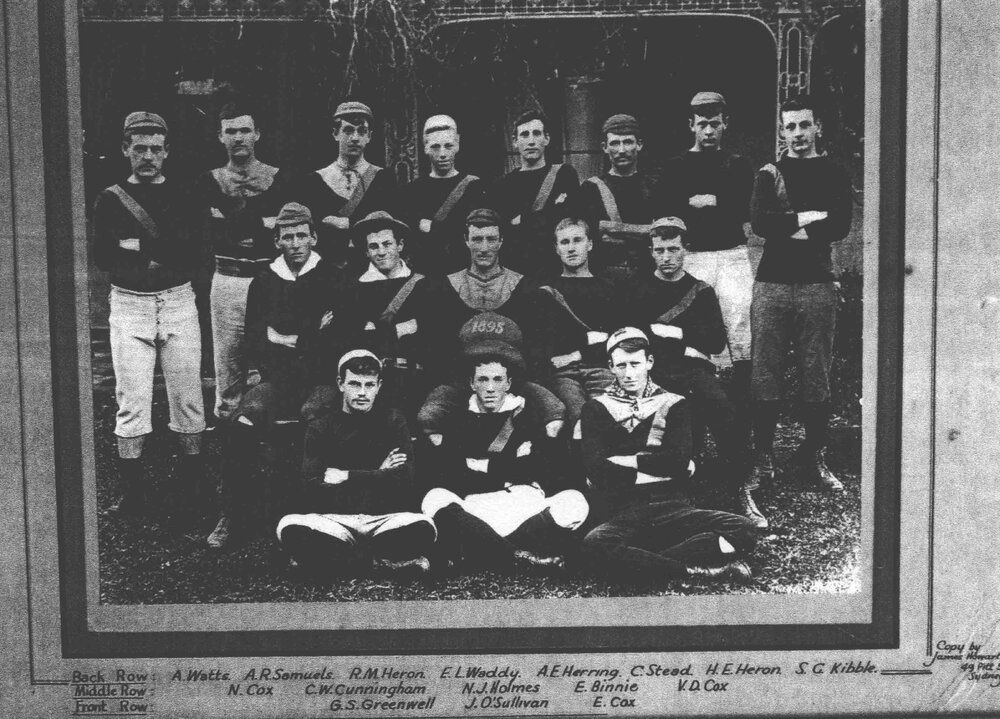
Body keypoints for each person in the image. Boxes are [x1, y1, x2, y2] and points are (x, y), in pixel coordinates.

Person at [207, 202, 342, 548]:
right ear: (277, 241)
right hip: (278, 379)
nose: (295, 243)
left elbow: (337, 337)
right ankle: (232, 514)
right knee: (243, 421)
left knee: (317, 417)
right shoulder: (265, 280)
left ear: (313, 237)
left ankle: (314, 514)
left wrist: (287, 336)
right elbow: (256, 339)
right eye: (287, 237)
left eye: (301, 235)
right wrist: (311, 330)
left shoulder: (333, 276)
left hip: (322, 378)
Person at [92, 111, 206, 519]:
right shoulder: (110, 197)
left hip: (177, 301)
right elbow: (104, 255)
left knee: (188, 397)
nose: (147, 156)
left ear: (167, 151)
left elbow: (194, 250)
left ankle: (191, 490)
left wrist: (137, 247)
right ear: (125, 149)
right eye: (139, 148)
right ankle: (133, 496)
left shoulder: (186, 192)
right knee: (132, 400)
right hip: (129, 304)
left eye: (155, 149)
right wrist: (159, 251)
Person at [579, 327, 758, 583]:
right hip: (623, 509)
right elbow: (596, 469)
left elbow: (677, 460)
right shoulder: (596, 408)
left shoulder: (675, 403)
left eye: (635, 363)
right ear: (610, 367)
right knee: (593, 543)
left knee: (744, 529)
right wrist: (660, 467)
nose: (628, 373)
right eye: (621, 365)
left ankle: (641, 562)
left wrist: (626, 462)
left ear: (649, 362)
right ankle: (695, 570)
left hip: (672, 505)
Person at [625, 218, 766, 528]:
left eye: (673, 249)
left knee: (722, 407)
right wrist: (685, 339)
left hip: (692, 370)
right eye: (659, 250)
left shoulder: (700, 291)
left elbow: (714, 341)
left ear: (685, 250)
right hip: (652, 369)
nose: (666, 257)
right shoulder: (637, 287)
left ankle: (739, 490)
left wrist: (669, 332)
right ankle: (655, 495)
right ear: (651, 252)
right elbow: (632, 334)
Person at [749, 96, 853, 491]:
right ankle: (763, 457)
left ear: (817, 127)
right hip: (772, 283)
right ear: (781, 130)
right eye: (789, 127)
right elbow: (761, 223)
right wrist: (808, 218)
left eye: (804, 126)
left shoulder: (834, 172)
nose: (797, 134)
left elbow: (840, 225)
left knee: (816, 372)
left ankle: (814, 456)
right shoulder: (768, 172)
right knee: (765, 372)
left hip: (817, 283)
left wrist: (788, 225)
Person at [420, 335, 588, 572]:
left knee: (574, 501)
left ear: (508, 383)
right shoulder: (458, 418)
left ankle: (482, 549)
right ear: (472, 383)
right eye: (483, 379)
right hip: (475, 507)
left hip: (522, 503)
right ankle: (518, 555)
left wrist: (482, 465)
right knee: (434, 498)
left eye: (498, 379)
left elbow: (539, 467)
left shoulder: (528, 414)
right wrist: (509, 466)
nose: (490, 387)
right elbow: (452, 471)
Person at [276, 350, 436, 578]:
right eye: (354, 384)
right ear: (341, 384)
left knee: (423, 526)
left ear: (379, 385)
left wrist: (346, 476)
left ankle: (334, 561)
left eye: (369, 385)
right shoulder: (321, 427)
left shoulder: (393, 420)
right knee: (290, 526)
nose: (362, 392)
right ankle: (378, 561)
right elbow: (311, 489)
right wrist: (380, 473)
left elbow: (405, 482)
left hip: (384, 519)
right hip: (333, 520)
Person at [417, 209, 566, 443]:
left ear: (501, 241)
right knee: (428, 417)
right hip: (460, 380)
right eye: (477, 239)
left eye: (491, 239)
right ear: (466, 240)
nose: (484, 247)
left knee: (554, 412)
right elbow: (435, 347)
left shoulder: (526, 288)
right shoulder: (443, 288)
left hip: (512, 381)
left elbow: (538, 347)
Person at [654, 91, 755, 404]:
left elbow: (743, 209)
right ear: (691, 125)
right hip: (694, 255)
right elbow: (668, 209)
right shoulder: (676, 166)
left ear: (725, 124)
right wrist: (708, 203)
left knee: (738, 315)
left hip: (732, 254)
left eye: (715, 124)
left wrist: (711, 201)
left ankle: (738, 399)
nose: (709, 131)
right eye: (702, 124)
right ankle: (699, 397)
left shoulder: (738, 164)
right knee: (697, 323)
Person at [193, 100, 290, 423]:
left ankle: (272, 424)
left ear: (257, 134)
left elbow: (281, 230)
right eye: (230, 131)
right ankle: (228, 424)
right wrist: (260, 223)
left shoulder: (279, 179)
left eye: (245, 130)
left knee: (275, 350)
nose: (238, 137)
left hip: (270, 275)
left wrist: (232, 222)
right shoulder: (208, 181)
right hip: (229, 277)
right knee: (229, 356)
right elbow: (209, 233)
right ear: (220, 137)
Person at [304, 210, 435, 425]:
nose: (381, 252)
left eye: (387, 244)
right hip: (364, 381)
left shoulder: (424, 286)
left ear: (400, 245)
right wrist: (398, 331)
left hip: (413, 379)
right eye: (373, 246)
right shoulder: (350, 289)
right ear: (366, 252)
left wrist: (373, 332)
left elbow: (429, 338)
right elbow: (344, 342)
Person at [535, 217, 619, 438]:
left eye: (577, 240)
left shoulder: (609, 289)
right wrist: (589, 339)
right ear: (556, 249)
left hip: (602, 369)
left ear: (590, 244)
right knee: (579, 417)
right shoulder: (547, 291)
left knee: (611, 414)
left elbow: (615, 338)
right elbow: (548, 343)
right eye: (564, 242)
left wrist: (575, 352)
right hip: (564, 375)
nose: (571, 248)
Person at [292, 101, 397, 272]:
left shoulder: (383, 179)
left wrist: (342, 222)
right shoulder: (314, 181)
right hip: (325, 271)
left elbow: (387, 224)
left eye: (362, 131)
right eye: (348, 130)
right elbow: (310, 228)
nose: (355, 138)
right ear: (335, 134)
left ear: (369, 136)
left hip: (372, 269)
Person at [487, 109, 579, 276]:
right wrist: (550, 213)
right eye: (524, 135)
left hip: (556, 268)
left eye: (536, 133)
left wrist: (523, 220)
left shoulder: (564, 174)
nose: (531, 141)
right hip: (514, 270)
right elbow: (503, 233)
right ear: (515, 141)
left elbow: (568, 219)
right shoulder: (502, 186)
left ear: (547, 139)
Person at [568, 113, 656, 279]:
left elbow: (660, 233)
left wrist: (610, 229)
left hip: (648, 277)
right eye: (615, 143)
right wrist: (643, 231)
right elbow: (588, 237)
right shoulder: (590, 189)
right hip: (604, 279)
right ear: (604, 147)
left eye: (628, 142)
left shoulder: (654, 187)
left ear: (639, 144)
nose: (621, 150)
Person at [396, 115, 486, 274]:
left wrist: (432, 227)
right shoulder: (412, 192)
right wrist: (452, 228)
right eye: (435, 147)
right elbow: (409, 241)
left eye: (448, 146)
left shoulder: (474, 187)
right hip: (426, 274)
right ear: (425, 148)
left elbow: (476, 235)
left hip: (465, 273)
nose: (442, 154)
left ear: (457, 144)